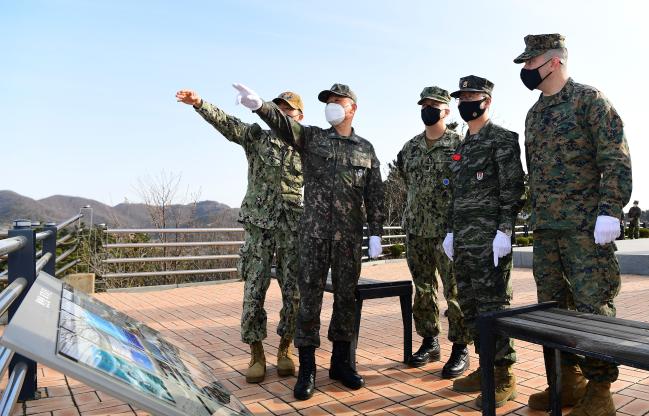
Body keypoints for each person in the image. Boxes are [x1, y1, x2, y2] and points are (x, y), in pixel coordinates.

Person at [232, 82, 385, 400]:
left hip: (348, 240)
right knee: (308, 305)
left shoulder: (365, 149)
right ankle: (307, 369)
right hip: (312, 237)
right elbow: (284, 124)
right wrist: (261, 106)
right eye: (327, 101)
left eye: (337, 100)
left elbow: (375, 193)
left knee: (345, 301)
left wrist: (377, 233)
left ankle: (341, 364)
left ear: (352, 107)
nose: (331, 105)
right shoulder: (313, 138)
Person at [514, 33, 632, 415]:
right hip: (548, 229)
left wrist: (609, 210)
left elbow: (615, 157)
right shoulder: (534, 114)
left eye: (531, 63)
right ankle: (567, 382)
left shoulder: (588, 100)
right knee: (553, 307)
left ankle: (600, 390)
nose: (526, 70)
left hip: (585, 228)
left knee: (592, 305)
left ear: (553, 62)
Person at [175, 89, 304, 384]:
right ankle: (256, 354)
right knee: (254, 293)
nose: (282, 114)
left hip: (292, 228)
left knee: (293, 294)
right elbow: (228, 124)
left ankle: (285, 350)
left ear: (299, 116)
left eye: (289, 110)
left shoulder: (305, 144)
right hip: (259, 227)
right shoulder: (257, 137)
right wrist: (199, 104)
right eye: (278, 109)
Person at [442, 75, 525, 408]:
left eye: (471, 97)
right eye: (461, 98)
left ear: (486, 101)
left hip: (490, 241)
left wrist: (505, 230)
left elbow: (513, 188)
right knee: (471, 308)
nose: (465, 103)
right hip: (463, 241)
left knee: (494, 307)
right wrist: (450, 230)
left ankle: (504, 376)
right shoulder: (461, 146)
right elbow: (455, 194)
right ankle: (484, 367)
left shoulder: (501, 140)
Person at [396, 86, 471, 378]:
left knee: (454, 290)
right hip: (416, 230)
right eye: (424, 105)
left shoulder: (459, 145)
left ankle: (460, 346)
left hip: (447, 233)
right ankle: (430, 340)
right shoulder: (410, 147)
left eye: (434, 105)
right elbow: (406, 178)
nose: (428, 109)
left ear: (446, 110)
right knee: (423, 290)